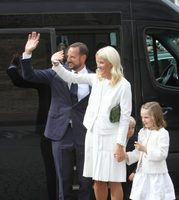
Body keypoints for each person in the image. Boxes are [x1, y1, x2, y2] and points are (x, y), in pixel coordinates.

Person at [51, 45, 132, 200]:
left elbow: (124, 117)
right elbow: (71, 77)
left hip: (112, 139)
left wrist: (120, 145)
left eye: (101, 62)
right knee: (98, 181)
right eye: (97, 62)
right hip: (93, 136)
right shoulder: (95, 78)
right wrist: (56, 64)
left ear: (111, 63)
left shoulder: (124, 85)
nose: (98, 66)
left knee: (114, 181)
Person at [20, 32, 93, 200]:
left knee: (85, 181)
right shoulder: (56, 72)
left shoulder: (94, 78)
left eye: (73, 57)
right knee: (63, 180)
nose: (68, 60)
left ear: (83, 58)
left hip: (85, 134)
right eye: (67, 56)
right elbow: (29, 76)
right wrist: (28, 53)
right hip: (60, 133)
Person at [7, 53, 56, 200]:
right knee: (50, 166)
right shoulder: (46, 80)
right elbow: (20, 81)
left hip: (65, 129)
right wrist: (13, 66)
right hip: (46, 127)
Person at [126, 101, 175, 200]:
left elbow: (162, 154)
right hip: (142, 174)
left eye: (146, 117)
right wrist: (126, 156)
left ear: (156, 116)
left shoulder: (163, 133)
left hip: (156, 176)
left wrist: (145, 149)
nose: (143, 120)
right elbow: (138, 153)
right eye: (142, 117)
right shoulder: (142, 132)